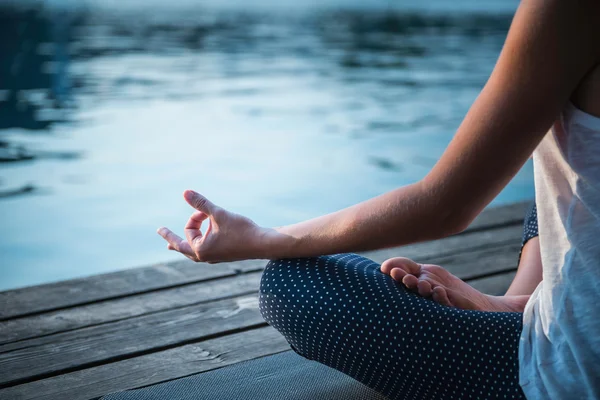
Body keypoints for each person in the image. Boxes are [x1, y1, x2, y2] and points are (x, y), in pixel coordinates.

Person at [157, 0, 600, 398]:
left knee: (292, 285)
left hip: (565, 379)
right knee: (569, 170)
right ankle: (517, 306)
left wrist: (261, 238)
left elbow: (443, 205)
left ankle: (516, 320)